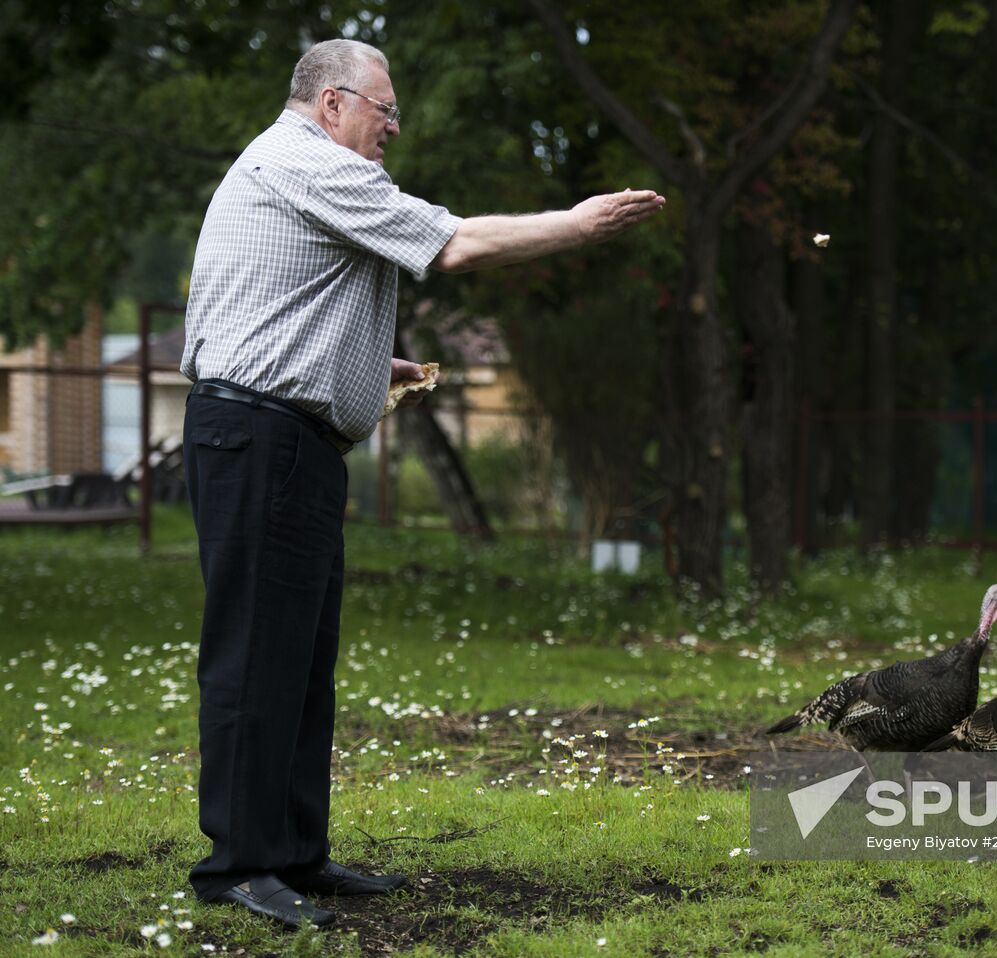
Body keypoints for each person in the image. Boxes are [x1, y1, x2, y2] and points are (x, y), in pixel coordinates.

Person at [178, 38, 664, 930]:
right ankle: (238, 868)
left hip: (283, 438)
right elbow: (460, 243)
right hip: (259, 438)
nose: (392, 127)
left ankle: (294, 854)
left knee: (301, 660)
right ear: (332, 104)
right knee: (255, 656)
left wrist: (367, 360)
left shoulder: (294, 169)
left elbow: (271, 296)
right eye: (383, 109)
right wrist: (577, 223)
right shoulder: (306, 160)